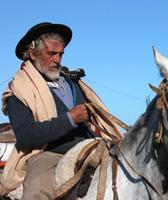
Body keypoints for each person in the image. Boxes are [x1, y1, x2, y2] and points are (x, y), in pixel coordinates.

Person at [0, 22, 123, 199]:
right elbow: (26, 137)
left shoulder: (74, 82)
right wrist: (70, 118)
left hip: (92, 147)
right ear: (33, 53)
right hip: (49, 156)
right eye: (51, 53)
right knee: (36, 189)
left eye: (60, 54)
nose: (57, 59)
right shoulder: (18, 91)